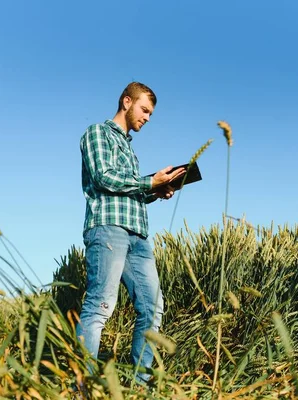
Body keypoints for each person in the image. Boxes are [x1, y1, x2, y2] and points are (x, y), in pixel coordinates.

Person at [76, 82, 185, 384]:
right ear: (127, 102)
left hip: (138, 235)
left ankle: (137, 386)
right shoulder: (97, 133)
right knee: (100, 306)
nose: (148, 118)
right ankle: (81, 387)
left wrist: (156, 190)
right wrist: (149, 183)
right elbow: (103, 177)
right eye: (144, 110)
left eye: (151, 113)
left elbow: (128, 191)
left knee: (152, 308)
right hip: (108, 230)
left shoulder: (129, 149)